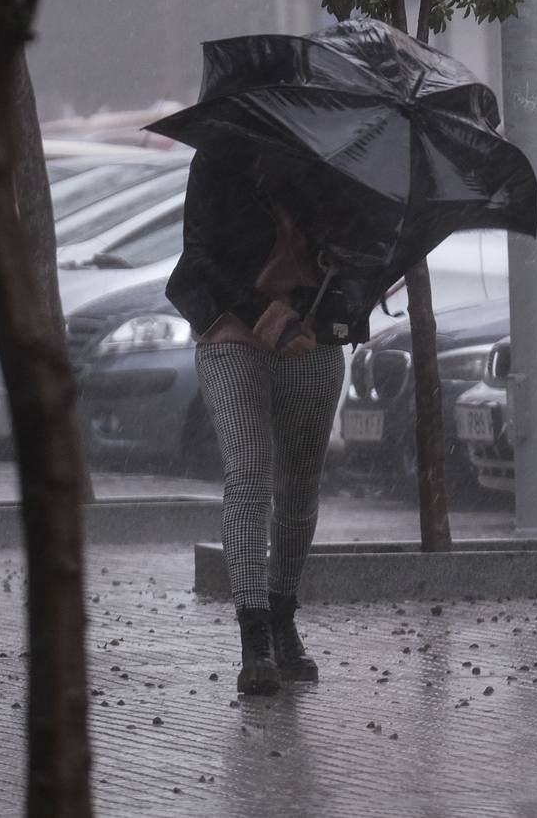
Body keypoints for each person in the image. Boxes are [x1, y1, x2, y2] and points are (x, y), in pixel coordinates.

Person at [166, 150, 345, 695]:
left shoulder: (333, 154)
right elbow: (200, 258)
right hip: (232, 336)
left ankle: (284, 616)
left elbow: (358, 254)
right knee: (248, 477)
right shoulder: (221, 158)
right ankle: (254, 637)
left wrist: (339, 294)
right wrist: (267, 316)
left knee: (299, 488)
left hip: (312, 341)